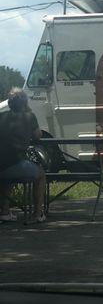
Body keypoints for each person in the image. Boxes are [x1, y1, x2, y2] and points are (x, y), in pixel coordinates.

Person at [0, 88, 46, 223]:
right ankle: (38, 213)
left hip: (1, 166)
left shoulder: (1, 117)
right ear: (25, 103)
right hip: (16, 164)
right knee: (41, 174)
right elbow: (38, 135)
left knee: (7, 177)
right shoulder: (29, 116)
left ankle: (5, 211)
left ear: (9, 103)